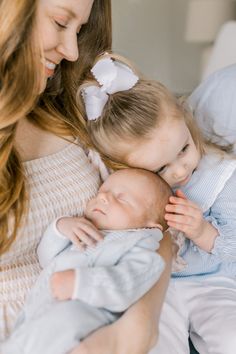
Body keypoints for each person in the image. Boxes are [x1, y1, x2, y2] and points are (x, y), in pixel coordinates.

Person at [0, 1, 173, 354]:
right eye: (61, 22)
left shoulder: (77, 107)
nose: (71, 50)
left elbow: (159, 221)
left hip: (105, 323)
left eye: (78, 30)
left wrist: (136, 331)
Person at [76, 53, 236, 354]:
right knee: (156, 343)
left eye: (184, 148)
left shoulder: (222, 175)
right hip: (154, 284)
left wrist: (202, 231)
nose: (180, 170)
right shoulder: (124, 187)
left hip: (213, 283)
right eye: (160, 169)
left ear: (185, 120)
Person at [2, 168, 180, 354]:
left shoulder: (141, 248)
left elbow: (127, 283)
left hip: (85, 317)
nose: (103, 197)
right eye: (101, 192)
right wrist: (61, 228)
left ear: (149, 226)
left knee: (54, 328)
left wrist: (81, 283)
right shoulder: (86, 230)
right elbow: (46, 258)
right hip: (37, 314)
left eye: (121, 198)